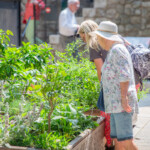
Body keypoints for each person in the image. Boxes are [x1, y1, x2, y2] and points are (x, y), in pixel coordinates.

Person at [90, 20, 139, 150]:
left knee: (126, 141)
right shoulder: (114, 50)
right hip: (115, 104)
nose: (97, 41)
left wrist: (124, 99)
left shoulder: (117, 50)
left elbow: (124, 75)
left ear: (103, 37)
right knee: (119, 141)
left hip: (121, 104)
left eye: (98, 37)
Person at [78, 20, 113, 150]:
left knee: (105, 113)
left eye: (82, 36)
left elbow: (100, 69)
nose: (83, 40)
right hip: (122, 79)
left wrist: (102, 86)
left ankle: (108, 144)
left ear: (85, 33)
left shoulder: (93, 43)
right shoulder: (105, 39)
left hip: (109, 82)